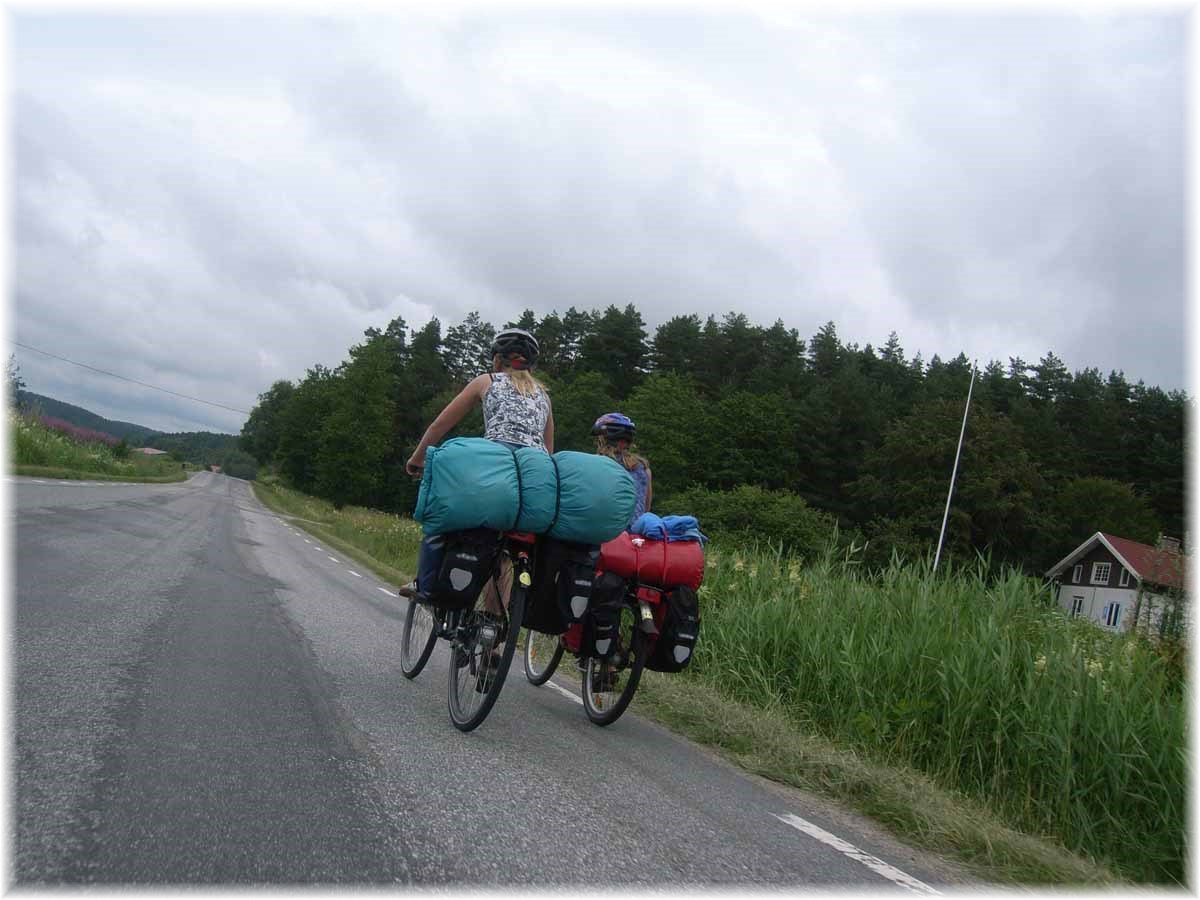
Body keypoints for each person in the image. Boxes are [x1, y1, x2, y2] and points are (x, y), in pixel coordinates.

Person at [398, 327, 554, 603]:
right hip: (535, 474)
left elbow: (441, 424)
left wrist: (418, 457)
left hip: (494, 464)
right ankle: (494, 634)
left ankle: (424, 581)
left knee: (444, 514)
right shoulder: (544, 395)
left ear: (497, 360)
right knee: (510, 547)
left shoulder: (486, 381)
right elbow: (548, 451)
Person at [592, 412, 651, 528]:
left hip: (606, 533)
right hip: (635, 534)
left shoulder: (597, 463)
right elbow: (645, 509)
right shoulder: (643, 468)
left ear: (602, 439)